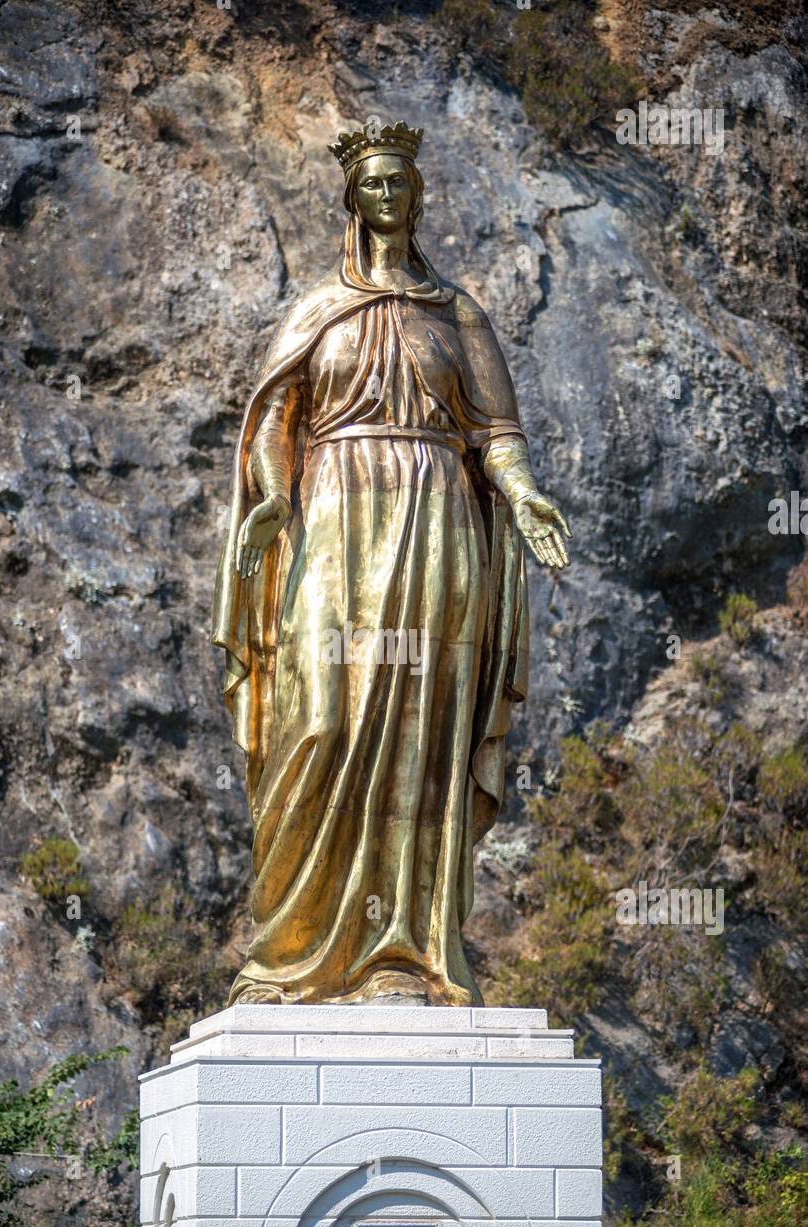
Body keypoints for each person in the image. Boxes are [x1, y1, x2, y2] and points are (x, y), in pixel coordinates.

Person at [212, 120, 570, 1006]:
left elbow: (495, 431)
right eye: (369, 182)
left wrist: (520, 494)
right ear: (352, 196)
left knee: (420, 735)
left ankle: (399, 958)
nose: (384, 195)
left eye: (397, 181)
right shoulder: (315, 309)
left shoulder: (456, 312)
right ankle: (287, 953)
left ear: (416, 193)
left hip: (439, 521)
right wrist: (267, 496)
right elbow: (271, 423)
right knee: (320, 719)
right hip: (332, 515)